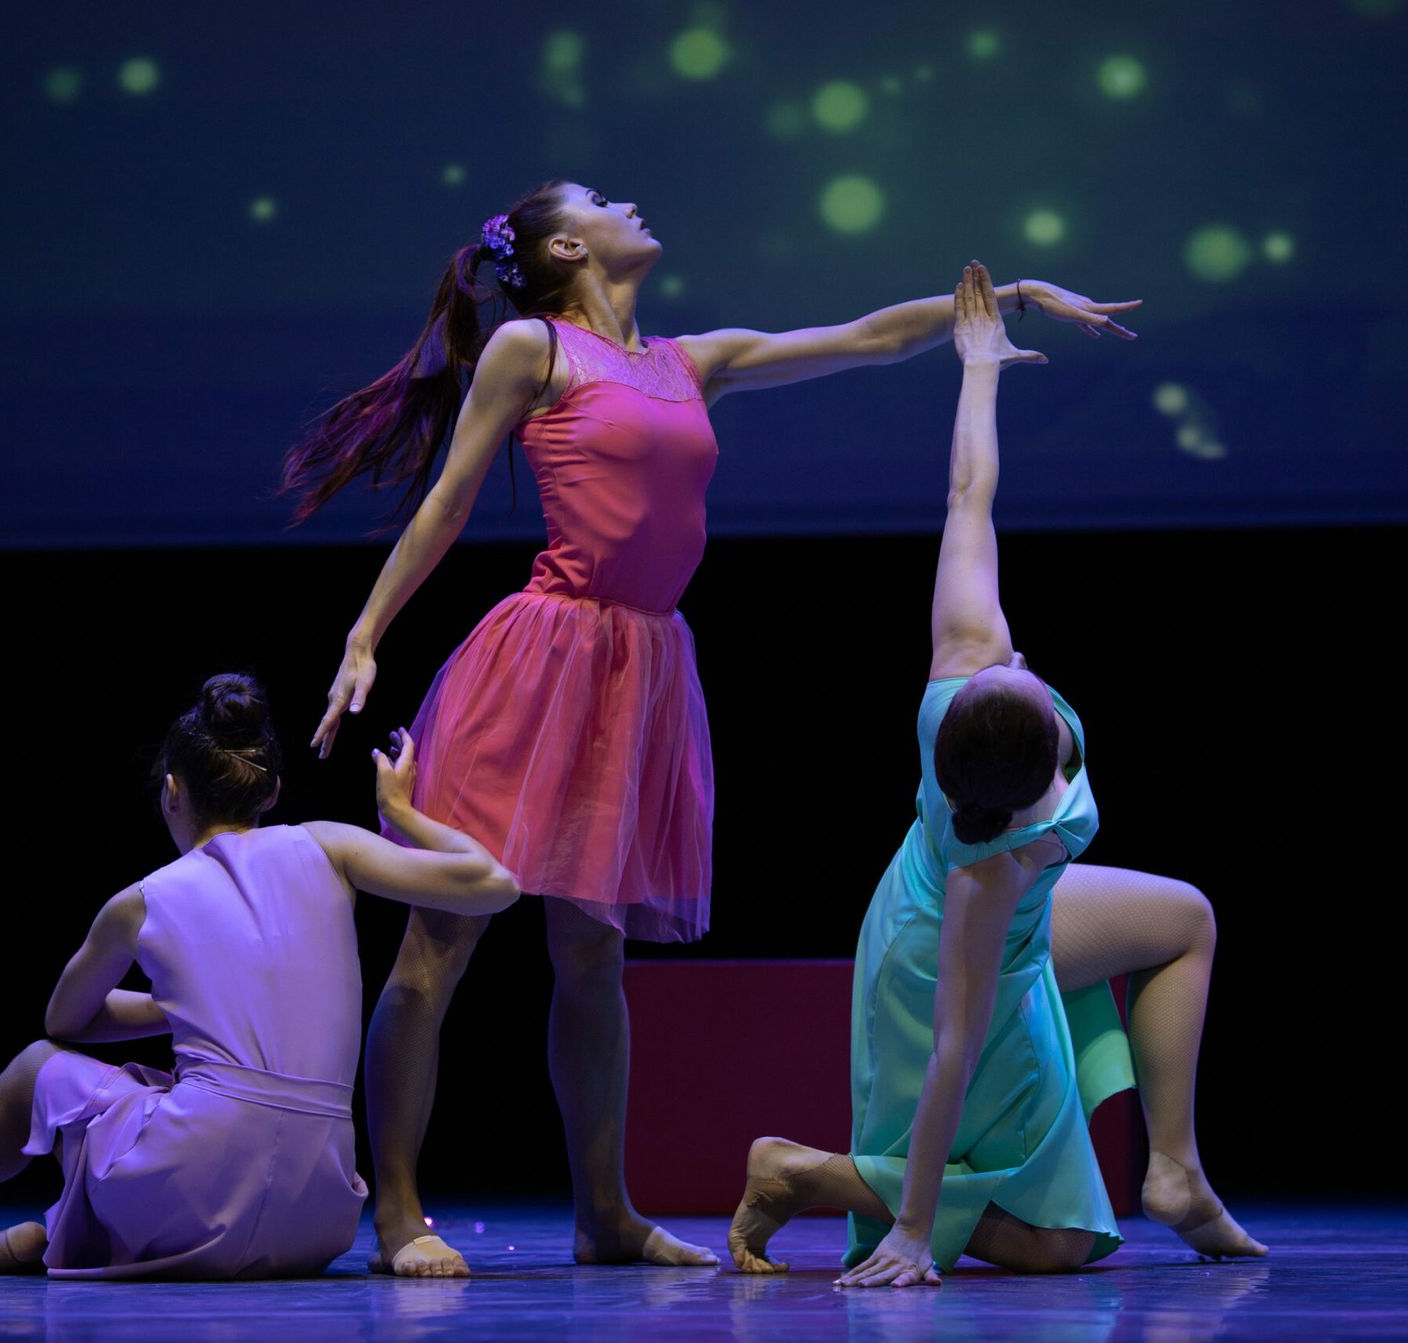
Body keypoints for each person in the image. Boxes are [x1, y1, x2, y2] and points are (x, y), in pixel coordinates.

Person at [283, 181, 1141, 1276]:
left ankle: (606, 1213)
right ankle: (398, 1211)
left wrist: (1005, 298)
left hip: (639, 670)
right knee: (437, 943)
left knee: (594, 956)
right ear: (564, 244)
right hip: (538, 662)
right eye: (603, 200)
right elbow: (449, 498)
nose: (630, 202)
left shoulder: (689, 361)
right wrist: (366, 632)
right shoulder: (530, 349)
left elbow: (867, 338)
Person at [727, 263, 1263, 1286]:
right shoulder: (991, 869)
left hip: (1004, 925)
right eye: (1016, 669)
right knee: (1059, 1247)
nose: (1011, 656)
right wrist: (916, 1229)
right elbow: (950, 1053)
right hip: (934, 966)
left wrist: (982, 366)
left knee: (1183, 917)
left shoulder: (962, 666)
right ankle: (812, 1171)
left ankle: (1178, 1171)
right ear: (1041, 769)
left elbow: (969, 491)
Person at [0, 675, 517, 1279]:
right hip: (321, 1217)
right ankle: (65, 1234)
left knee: (38, 1069)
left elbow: (64, 1021)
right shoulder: (328, 845)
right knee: (176, 1100)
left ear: (173, 790)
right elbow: (497, 882)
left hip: (198, 1188)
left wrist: (174, 1005)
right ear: (273, 790)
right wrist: (398, 812)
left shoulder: (141, 900)